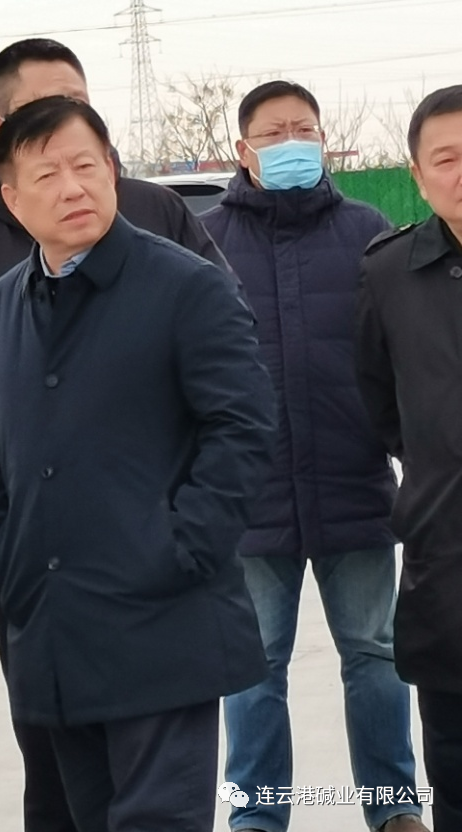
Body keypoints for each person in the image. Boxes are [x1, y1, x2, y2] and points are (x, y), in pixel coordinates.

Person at [0, 37, 229, 832]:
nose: (71, 177)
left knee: (158, 795)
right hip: (38, 570)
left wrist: (187, 533)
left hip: (153, 565)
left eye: (79, 108)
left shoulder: (156, 216)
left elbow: (232, 388)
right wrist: (4, 520)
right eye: (45, 112)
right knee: (62, 780)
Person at [0, 94, 276, 832]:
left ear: (112, 169)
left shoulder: (186, 285)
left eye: (86, 165)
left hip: (161, 618)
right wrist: (2, 555)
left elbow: (243, 427)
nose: (72, 187)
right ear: (12, 199)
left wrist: (181, 545)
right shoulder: (0, 307)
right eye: (47, 175)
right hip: (54, 625)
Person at [201, 80, 425, 832]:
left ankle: (394, 807)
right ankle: (257, 816)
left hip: (353, 481)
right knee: (254, 665)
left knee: (375, 655)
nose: (290, 143)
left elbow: (401, 354)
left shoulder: (368, 230)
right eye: (273, 133)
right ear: (242, 150)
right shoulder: (205, 241)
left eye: (304, 130)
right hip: (251, 495)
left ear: (325, 142)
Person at [356, 84, 462, 832]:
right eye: (446, 159)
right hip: (446, 560)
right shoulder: (389, 273)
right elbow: (379, 401)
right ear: (419, 177)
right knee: (454, 768)